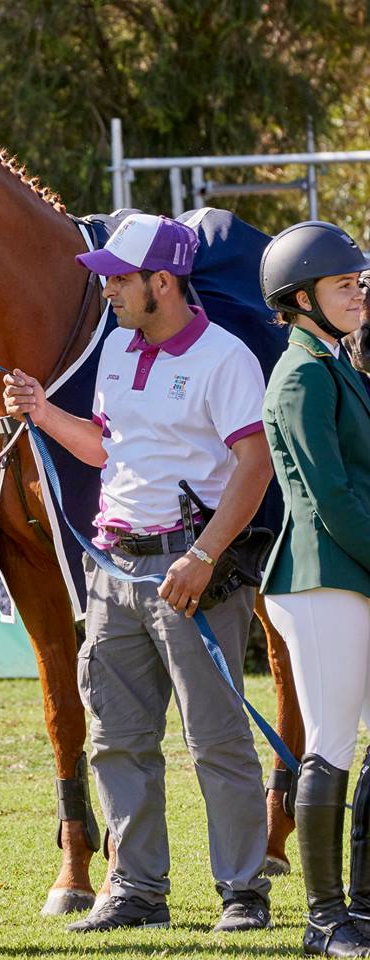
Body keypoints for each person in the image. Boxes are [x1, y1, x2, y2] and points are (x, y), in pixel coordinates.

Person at [3, 214, 274, 933]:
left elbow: (255, 465)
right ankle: (137, 892)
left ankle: (243, 893)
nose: (109, 291)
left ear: (164, 281)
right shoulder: (118, 350)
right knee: (116, 738)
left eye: (120, 279)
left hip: (192, 574)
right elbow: (105, 449)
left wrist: (203, 556)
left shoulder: (225, 357)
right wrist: (41, 412)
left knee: (216, 740)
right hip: (113, 570)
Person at [258, 222, 370, 958]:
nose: (359, 295)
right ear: (301, 300)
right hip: (320, 577)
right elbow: (331, 498)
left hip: (353, 571)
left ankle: (364, 907)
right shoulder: (301, 375)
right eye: (343, 285)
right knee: (330, 742)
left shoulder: (337, 365)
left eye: (360, 282)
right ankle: (324, 920)